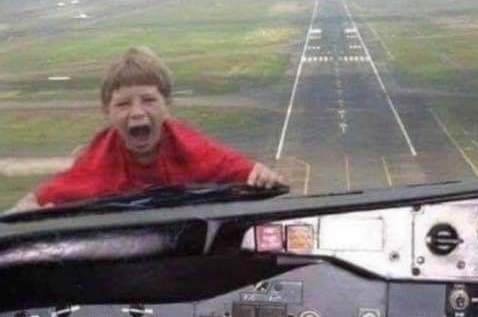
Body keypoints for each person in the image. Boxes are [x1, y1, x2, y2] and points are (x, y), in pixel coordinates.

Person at [10, 47, 285, 211]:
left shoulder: (192, 149)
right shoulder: (95, 163)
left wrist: (262, 176)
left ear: (168, 105)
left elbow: (256, 177)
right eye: (123, 104)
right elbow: (37, 200)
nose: (137, 112)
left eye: (150, 100)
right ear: (108, 112)